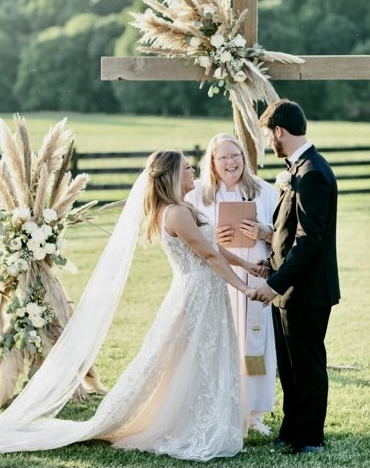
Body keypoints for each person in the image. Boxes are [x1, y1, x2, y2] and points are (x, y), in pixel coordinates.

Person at [0, 149, 263, 462]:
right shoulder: (176, 213)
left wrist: (247, 268)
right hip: (196, 295)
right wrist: (245, 288)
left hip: (207, 293)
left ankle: (200, 416)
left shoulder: (181, 208)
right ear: (173, 176)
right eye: (187, 168)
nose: (193, 171)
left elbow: (212, 247)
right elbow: (207, 256)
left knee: (196, 357)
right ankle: (181, 421)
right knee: (182, 359)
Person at [254, 99, 341, 454]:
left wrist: (273, 283)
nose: (268, 143)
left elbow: (309, 240)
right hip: (288, 288)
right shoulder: (298, 168)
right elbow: (286, 232)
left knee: (307, 366)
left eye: (268, 136)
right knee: (289, 367)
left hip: (307, 291)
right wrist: (270, 266)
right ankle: (291, 430)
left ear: (279, 131)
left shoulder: (313, 173)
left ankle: (310, 438)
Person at [186, 133, 278, 435]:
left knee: (255, 346)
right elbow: (189, 239)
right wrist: (215, 240)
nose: (231, 162)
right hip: (219, 281)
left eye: (235, 155)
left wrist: (264, 232)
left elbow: (284, 232)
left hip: (256, 279)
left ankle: (254, 414)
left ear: (244, 158)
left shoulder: (265, 191)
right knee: (223, 345)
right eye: (223, 157)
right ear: (211, 162)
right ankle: (221, 410)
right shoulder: (198, 195)